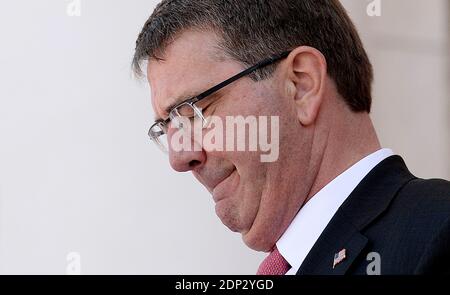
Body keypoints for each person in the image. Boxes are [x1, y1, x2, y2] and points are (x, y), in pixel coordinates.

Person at [132, 0, 450, 274]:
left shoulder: (438, 232)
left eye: (194, 111)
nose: (178, 157)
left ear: (301, 85)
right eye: (167, 126)